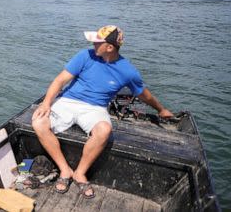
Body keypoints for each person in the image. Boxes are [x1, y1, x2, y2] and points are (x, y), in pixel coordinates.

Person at [31, 25, 174, 199]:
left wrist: (161, 109)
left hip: (95, 108)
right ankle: (65, 170)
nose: (93, 43)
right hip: (68, 101)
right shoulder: (85, 56)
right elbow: (60, 80)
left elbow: (144, 95)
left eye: (97, 41)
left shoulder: (127, 70)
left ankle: (80, 173)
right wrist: (46, 103)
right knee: (38, 123)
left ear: (110, 47)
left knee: (104, 130)